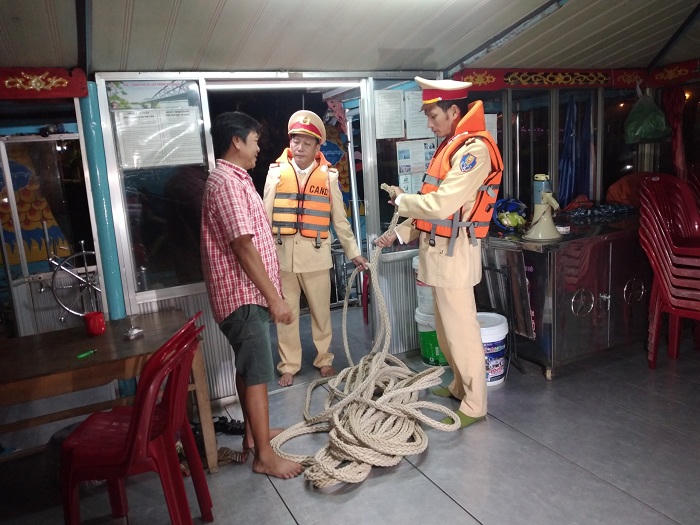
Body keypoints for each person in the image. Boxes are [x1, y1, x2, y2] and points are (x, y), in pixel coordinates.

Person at [376, 77, 503, 428]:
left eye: (433, 116)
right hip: (438, 254)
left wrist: (403, 200)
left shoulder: (474, 151)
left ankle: (475, 404)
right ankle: (460, 385)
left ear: (454, 112)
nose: (430, 124)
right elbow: (433, 211)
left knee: (462, 332)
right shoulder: (451, 146)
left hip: (455, 255)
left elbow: (442, 204)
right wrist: (398, 233)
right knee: (446, 331)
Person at [201, 111, 303, 479]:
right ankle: (264, 456)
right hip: (242, 296)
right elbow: (243, 245)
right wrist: (274, 297)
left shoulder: (234, 179)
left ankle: (251, 435)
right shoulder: (226, 183)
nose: (259, 148)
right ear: (236, 141)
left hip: (245, 296)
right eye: (255, 140)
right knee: (258, 373)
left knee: (247, 369)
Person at [263, 110, 369, 387]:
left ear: (317, 147)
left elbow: (340, 220)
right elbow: (264, 215)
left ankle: (324, 359)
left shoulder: (329, 177)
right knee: (286, 314)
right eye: (295, 141)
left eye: (306, 143)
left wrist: (353, 252)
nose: (299, 147)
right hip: (283, 257)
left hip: (317, 257)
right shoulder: (275, 173)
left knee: (322, 313)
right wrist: (262, 257)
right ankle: (289, 364)